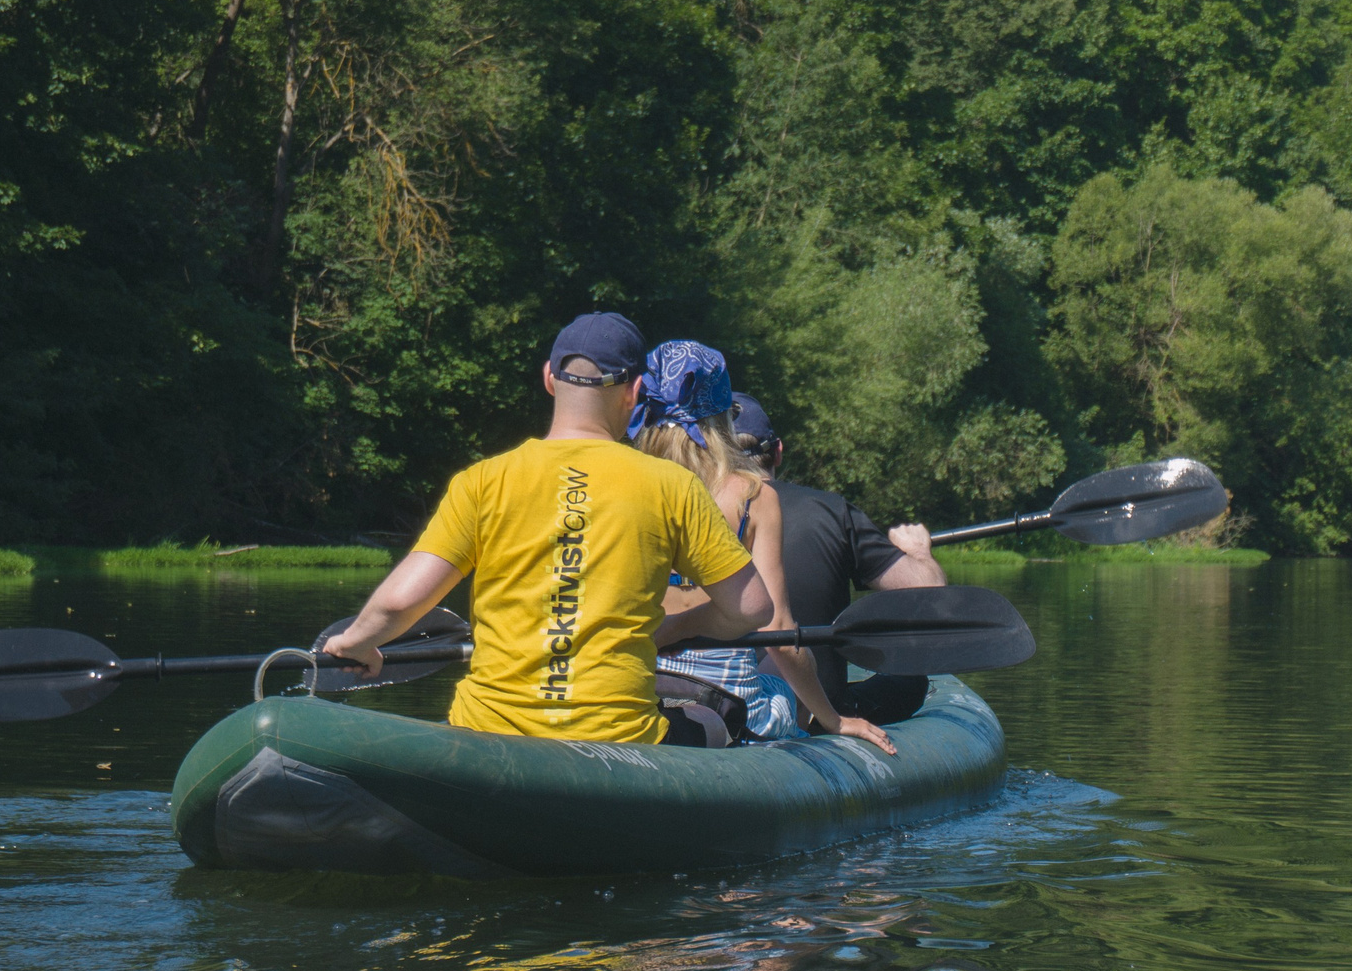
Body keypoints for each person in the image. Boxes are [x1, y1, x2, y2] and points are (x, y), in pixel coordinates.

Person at [320, 313, 774, 746]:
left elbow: (400, 601)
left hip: (490, 732)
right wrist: (675, 627)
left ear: (548, 378)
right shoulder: (672, 486)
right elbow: (751, 609)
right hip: (619, 740)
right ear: (634, 392)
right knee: (713, 724)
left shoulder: (482, 481)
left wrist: (356, 643)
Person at [631, 343, 896, 755]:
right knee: (780, 672)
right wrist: (833, 718)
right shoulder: (752, 496)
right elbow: (777, 631)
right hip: (728, 703)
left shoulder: (623, 485)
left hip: (637, 686)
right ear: (721, 415)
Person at [730, 390, 946, 726]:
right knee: (910, 681)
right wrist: (919, 551)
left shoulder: (690, 513)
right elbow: (929, 591)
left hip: (725, 701)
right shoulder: (831, 510)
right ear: (778, 452)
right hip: (821, 711)